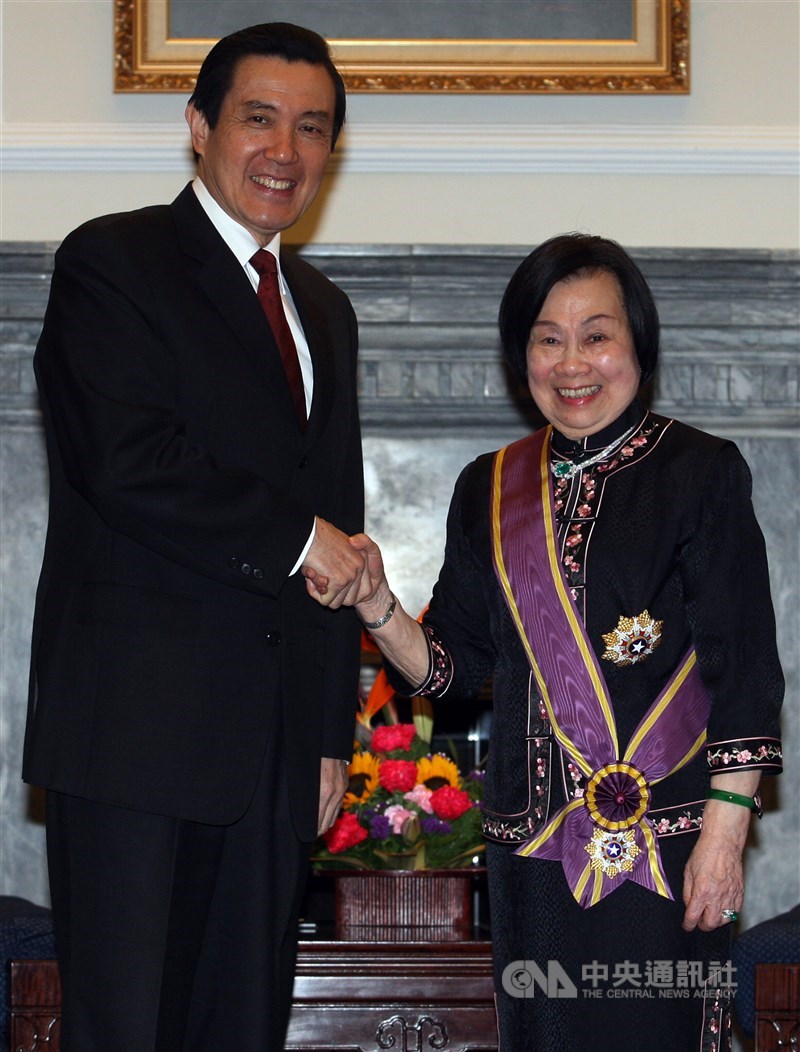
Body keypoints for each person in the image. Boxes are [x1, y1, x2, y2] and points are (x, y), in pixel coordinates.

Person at [307, 234, 785, 1050]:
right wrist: (378, 603)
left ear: (638, 346)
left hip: (667, 850)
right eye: (548, 338)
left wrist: (725, 834)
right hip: (532, 851)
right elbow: (455, 671)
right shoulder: (488, 488)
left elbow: (744, 670)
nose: (573, 363)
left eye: (597, 335)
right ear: (520, 354)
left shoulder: (700, 471)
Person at [23, 22, 369, 1051]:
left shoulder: (323, 308)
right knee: (126, 1025)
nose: (284, 151)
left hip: (268, 754)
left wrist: (323, 729)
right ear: (198, 126)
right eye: (258, 119)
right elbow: (127, 461)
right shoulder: (112, 260)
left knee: (241, 1024)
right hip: (135, 730)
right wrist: (300, 537)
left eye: (311, 129)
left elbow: (336, 525)